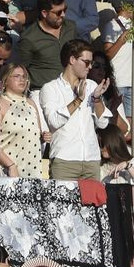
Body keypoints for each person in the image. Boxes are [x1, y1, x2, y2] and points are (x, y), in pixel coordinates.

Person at [39, 39, 109, 181]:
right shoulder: (50, 88)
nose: (90, 67)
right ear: (72, 59)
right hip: (65, 160)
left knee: (92, 203)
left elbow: (103, 124)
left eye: (92, 63)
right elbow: (53, 121)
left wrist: (96, 99)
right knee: (63, 204)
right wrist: (78, 100)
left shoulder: (91, 85)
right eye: (87, 62)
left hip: (91, 159)